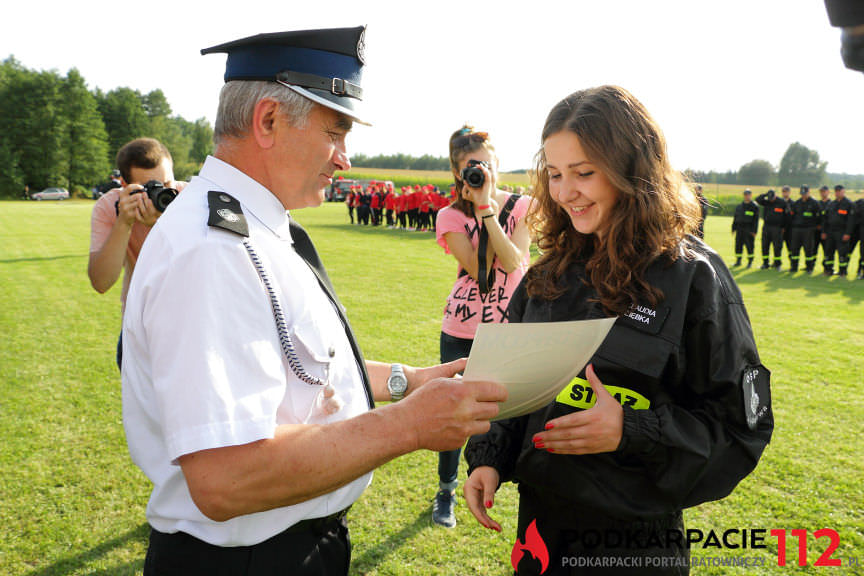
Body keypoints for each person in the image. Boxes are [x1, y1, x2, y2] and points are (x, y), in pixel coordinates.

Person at [122, 27, 507, 576]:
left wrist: (408, 381)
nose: (344, 159)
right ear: (269, 120)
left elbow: (295, 363)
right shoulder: (210, 251)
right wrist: (408, 426)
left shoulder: (258, 227)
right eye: (335, 131)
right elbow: (226, 478)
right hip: (247, 560)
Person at [463, 86, 772, 576]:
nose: (566, 193)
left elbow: (739, 429)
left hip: (635, 544)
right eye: (557, 174)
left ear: (633, 168)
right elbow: (510, 388)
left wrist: (631, 431)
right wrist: (489, 457)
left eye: (584, 173)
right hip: (542, 534)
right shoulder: (546, 277)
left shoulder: (694, 278)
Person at [432, 125, 531, 528]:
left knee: (508, 411)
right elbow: (478, 271)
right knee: (454, 413)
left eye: (486, 165)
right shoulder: (449, 215)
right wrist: (478, 208)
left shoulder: (523, 206)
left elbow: (513, 262)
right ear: (458, 173)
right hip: (462, 326)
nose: (480, 172)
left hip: (507, 326)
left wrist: (488, 207)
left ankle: (500, 479)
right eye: (471, 167)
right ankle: (446, 489)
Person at [88, 137, 180, 370]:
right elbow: (101, 281)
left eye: (167, 183)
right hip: (139, 328)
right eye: (150, 188)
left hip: (187, 325)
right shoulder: (110, 207)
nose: (163, 193)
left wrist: (162, 226)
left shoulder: (191, 198)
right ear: (124, 184)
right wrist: (123, 223)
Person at [821, 184, 856, 276]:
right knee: (828, 251)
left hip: (842, 232)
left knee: (842, 253)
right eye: (836, 191)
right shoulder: (832, 204)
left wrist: (848, 233)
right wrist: (824, 231)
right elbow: (825, 219)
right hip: (830, 232)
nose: (837, 193)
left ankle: (843, 271)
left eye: (839, 191)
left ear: (843, 191)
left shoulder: (849, 204)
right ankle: (828, 270)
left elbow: (851, 221)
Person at [786, 185, 822, 274]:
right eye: (802, 194)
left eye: (805, 194)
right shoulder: (797, 203)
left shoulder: (814, 203)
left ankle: (809, 267)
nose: (803, 196)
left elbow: (819, 216)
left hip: (808, 229)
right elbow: (792, 215)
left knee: (808, 249)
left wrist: (817, 226)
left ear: (809, 192)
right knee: (794, 249)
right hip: (796, 229)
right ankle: (794, 267)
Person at [755, 188, 786, 269]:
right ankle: (765, 263)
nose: (771, 200)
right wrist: (765, 194)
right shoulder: (766, 201)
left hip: (777, 228)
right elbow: (757, 199)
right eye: (769, 198)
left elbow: (786, 216)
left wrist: (783, 227)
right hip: (766, 227)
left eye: (772, 198)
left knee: (777, 246)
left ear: (775, 196)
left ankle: (777, 264)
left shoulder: (782, 202)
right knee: (765, 245)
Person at [731, 188, 759, 267]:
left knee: (749, 246)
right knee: (738, 245)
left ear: (751, 195)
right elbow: (735, 218)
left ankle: (750, 262)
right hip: (740, 229)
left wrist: (754, 231)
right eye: (745, 195)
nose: (747, 196)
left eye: (748, 195)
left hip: (749, 229)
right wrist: (733, 228)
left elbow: (756, 220)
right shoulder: (739, 206)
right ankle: (738, 261)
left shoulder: (754, 206)